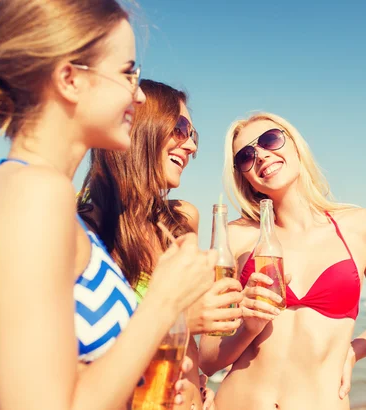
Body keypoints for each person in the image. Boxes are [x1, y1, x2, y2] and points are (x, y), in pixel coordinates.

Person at [0, 1, 215, 409]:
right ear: (69, 79)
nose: (139, 92)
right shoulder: (33, 194)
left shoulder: (28, 190)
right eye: (127, 72)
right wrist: (164, 303)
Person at [198, 112, 366, 410]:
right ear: (244, 176)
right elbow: (209, 358)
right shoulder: (236, 237)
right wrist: (248, 329)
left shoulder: (364, 228)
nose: (262, 155)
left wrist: (354, 352)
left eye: (270, 140)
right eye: (246, 156)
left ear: (296, 146)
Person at [78, 79, 243, 410]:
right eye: (181, 128)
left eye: (192, 136)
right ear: (141, 124)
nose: (192, 147)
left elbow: (190, 351)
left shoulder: (179, 222)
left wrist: (198, 390)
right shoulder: (82, 226)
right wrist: (180, 317)